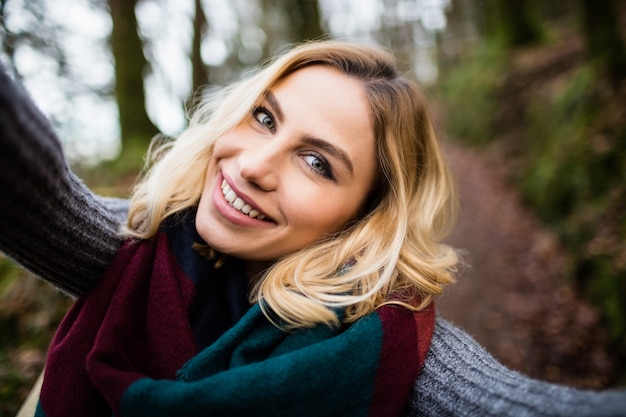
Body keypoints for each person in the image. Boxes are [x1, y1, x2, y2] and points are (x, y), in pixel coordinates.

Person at [1, 41, 625, 417]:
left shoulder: (388, 346)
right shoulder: (136, 245)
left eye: (318, 163)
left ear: (366, 216)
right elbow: (29, 189)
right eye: (265, 118)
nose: (252, 166)